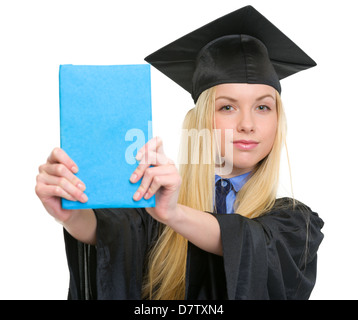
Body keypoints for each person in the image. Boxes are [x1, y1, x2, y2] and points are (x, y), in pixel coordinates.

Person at [35, 6, 324, 300]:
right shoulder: (159, 203)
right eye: (227, 107)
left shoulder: (294, 224)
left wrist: (174, 214)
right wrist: (71, 212)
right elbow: (112, 236)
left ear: (278, 121)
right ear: (200, 120)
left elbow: (250, 243)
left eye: (263, 107)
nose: (247, 124)